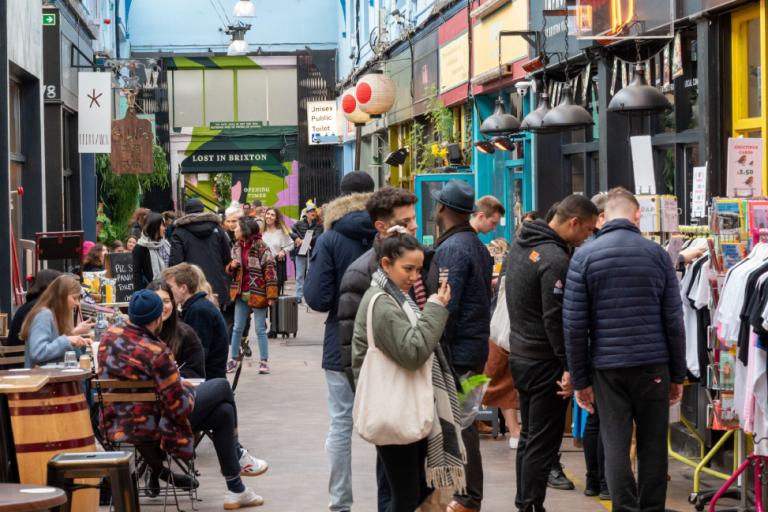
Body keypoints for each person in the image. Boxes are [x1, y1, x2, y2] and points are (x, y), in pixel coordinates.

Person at [563, 187, 686, 512]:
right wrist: (677, 374)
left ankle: (624, 508)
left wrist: (580, 379)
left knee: (614, 442)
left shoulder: (584, 257)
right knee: (653, 443)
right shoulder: (657, 255)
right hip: (653, 365)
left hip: (607, 367)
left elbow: (575, 325)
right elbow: (674, 320)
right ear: (637, 215)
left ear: (603, 217)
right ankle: (651, 508)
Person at [97, 289, 267, 510]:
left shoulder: (109, 336)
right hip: (155, 426)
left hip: (118, 422)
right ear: (158, 318)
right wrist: (182, 387)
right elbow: (179, 409)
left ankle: (238, 489)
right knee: (222, 387)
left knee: (223, 412)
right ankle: (237, 460)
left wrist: (175, 384)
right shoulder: (157, 351)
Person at [351, 231, 465, 512]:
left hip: (403, 406)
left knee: (412, 490)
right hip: (395, 410)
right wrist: (437, 308)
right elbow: (413, 352)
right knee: (406, 495)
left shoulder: (395, 297)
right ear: (386, 264)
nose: (415, 276)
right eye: (408, 269)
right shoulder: (383, 303)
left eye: (419, 269)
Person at [505, 194, 598, 512]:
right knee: (542, 441)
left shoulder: (521, 244)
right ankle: (531, 505)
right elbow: (555, 319)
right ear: (573, 222)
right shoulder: (554, 258)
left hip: (521, 354)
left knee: (530, 436)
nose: (587, 237)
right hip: (544, 362)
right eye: (586, 230)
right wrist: (569, 365)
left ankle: (525, 501)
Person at [336, 186, 420, 511]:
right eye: (405, 220)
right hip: (391, 401)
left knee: (412, 488)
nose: (414, 226)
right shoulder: (364, 275)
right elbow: (352, 349)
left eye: (413, 218)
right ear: (382, 227)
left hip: (414, 396)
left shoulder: (415, 262)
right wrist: (372, 399)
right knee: (396, 490)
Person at [303, 171, 376, 512]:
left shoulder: (329, 239)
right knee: (390, 423)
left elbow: (318, 298)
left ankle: (340, 504)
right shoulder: (387, 234)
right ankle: (392, 501)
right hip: (387, 343)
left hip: (340, 342)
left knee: (341, 424)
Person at [429, 179, 493, 512]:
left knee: (462, 424)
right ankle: (467, 494)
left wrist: (432, 348)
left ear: (442, 208)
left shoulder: (452, 249)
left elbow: (445, 306)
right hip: (474, 350)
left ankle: (468, 496)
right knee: (463, 422)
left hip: (459, 354)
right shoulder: (475, 245)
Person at [226, 217, 278, 374]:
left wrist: (271, 296)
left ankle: (264, 361)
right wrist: (231, 266)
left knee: (260, 329)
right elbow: (229, 270)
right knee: (237, 328)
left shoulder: (262, 247)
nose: (234, 229)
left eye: (238, 227)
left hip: (258, 293)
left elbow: (270, 271)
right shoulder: (236, 247)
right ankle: (233, 359)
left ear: (245, 231)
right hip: (241, 292)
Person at [162, 263, 229, 380]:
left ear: (183, 288)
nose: (167, 292)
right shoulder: (197, 307)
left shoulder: (198, 311)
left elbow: (198, 356)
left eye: (170, 287)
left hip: (208, 381)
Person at [169, 198, 233, 308]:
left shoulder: (179, 232)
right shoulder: (217, 228)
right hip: (216, 285)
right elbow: (227, 256)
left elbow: (176, 263)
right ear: (202, 209)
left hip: (192, 287)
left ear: (186, 212)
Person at [20, 275, 94, 367]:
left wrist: (78, 343)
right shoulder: (44, 315)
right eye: (74, 298)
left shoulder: (55, 315)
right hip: (44, 378)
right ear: (61, 296)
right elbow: (38, 352)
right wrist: (67, 340)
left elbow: (59, 351)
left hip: (54, 376)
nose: (77, 303)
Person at [146, 280, 206, 379]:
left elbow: (196, 373)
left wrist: (173, 375)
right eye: (156, 301)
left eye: (166, 301)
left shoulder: (186, 334)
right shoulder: (138, 333)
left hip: (177, 391)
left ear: (173, 304)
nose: (161, 306)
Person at [7, 269, 63, 347]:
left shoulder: (33, 304)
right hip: (21, 356)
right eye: (59, 286)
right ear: (51, 286)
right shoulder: (38, 308)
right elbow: (40, 347)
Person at [291, 201, 323, 302]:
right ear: (306, 213)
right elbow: (291, 231)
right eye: (310, 211)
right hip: (300, 251)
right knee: (300, 275)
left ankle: (309, 296)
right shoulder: (299, 223)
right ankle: (299, 296)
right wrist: (297, 239)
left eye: (314, 211)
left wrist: (307, 240)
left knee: (310, 274)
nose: (313, 213)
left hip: (312, 251)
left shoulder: (318, 225)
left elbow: (317, 236)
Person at [133, 212, 171, 291]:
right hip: (151, 291)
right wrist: (140, 295)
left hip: (169, 288)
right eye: (163, 225)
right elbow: (137, 275)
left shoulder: (166, 245)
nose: (165, 228)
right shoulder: (140, 247)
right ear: (155, 226)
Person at [262, 207, 294, 296]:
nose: (269, 216)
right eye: (268, 214)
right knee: (263, 296)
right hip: (263, 266)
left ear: (276, 218)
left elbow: (291, 244)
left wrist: (283, 251)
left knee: (274, 295)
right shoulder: (261, 232)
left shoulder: (281, 232)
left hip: (276, 266)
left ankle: (274, 310)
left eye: (272, 215)